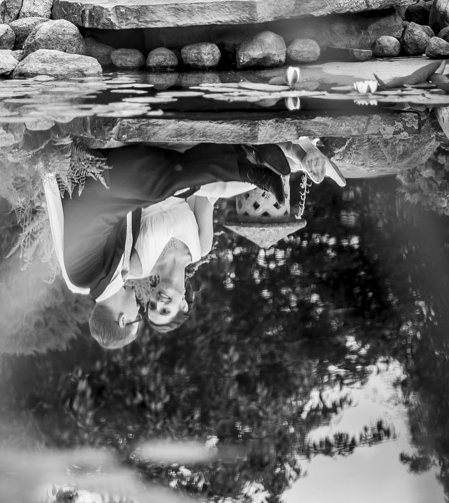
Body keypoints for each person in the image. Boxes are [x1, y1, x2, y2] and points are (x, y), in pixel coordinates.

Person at [42, 139, 345, 349]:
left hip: (103, 182)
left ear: (123, 319)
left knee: (165, 185)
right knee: (185, 183)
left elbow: (99, 217)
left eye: (138, 316)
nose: (143, 305)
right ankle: (286, 160)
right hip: (124, 187)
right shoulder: (112, 277)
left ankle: (262, 167)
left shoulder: (83, 278)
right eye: (158, 309)